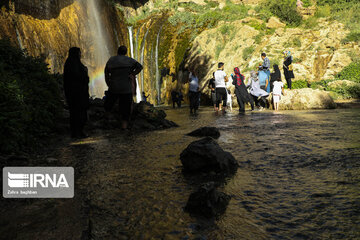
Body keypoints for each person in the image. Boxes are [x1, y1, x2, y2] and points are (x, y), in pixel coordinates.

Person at [104, 45, 143, 130]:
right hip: (126, 88)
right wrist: (132, 73)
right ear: (125, 52)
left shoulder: (111, 60)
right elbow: (140, 67)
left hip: (114, 87)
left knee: (108, 105)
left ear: (117, 51)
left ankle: (107, 121)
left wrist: (108, 83)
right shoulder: (129, 60)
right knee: (126, 107)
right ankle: (124, 126)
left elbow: (106, 73)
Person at [63, 47, 90, 139]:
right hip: (79, 94)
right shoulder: (75, 65)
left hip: (71, 93)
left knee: (74, 114)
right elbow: (80, 78)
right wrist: (86, 73)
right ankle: (79, 131)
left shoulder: (69, 63)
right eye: (79, 53)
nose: (80, 55)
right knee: (80, 113)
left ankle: (75, 132)